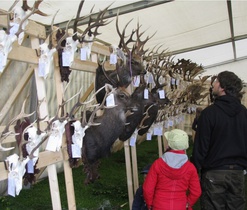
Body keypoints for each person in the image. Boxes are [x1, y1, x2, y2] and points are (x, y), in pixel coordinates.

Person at [193, 70, 247, 210]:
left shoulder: (209, 113)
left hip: (214, 172)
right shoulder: (244, 113)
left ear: (222, 87)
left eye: (216, 82)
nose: (213, 85)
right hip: (237, 172)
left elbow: (201, 146)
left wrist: (195, 170)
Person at [143, 129, 201, 210]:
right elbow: (196, 192)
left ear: (169, 145)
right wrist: (188, 203)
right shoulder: (190, 167)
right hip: (180, 205)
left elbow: (147, 189)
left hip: (159, 205)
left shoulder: (158, 164)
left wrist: (150, 204)